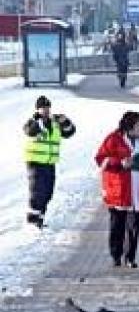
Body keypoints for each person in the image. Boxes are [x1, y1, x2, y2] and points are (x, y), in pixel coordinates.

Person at [95, 111, 139, 268]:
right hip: (119, 191)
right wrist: (120, 163)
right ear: (129, 127)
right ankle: (116, 255)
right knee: (117, 225)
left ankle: (130, 257)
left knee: (134, 226)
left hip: (138, 190)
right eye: (138, 125)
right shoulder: (113, 139)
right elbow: (101, 159)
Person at [23, 95, 76, 228]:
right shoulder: (33, 122)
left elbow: (70, 133)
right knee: (37, 192)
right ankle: (32, 222)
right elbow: (30, 131)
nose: (46, 110)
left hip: (50, 163)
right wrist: (42, 121)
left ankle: (39, 220)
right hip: (35, 163)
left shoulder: (55, 123)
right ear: (37, 109)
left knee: (48, 193)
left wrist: (65, 122)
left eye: (47, 107)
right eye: (42, 108)